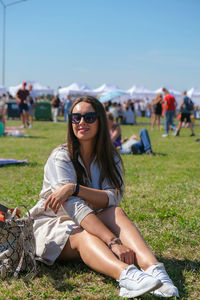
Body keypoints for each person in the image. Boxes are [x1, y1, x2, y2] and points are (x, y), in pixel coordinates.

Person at [29, 96, 179, 298]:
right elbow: (74, 208)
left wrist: (75, 188)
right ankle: (127, 276)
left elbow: (113, 197)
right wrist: (113, 241)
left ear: (100, 120)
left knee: (115, 212)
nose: (82, 122)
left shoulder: (111, 156)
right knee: (83, 233)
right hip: (53, 223)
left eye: (89, 117)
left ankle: (155, 271)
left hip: (91, 219)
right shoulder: (61, 156)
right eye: (76, 117)